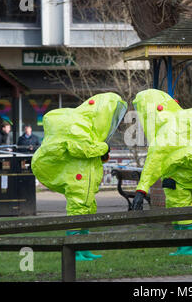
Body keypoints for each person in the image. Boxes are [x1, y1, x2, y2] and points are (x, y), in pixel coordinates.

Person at [131, 89, 192, 256]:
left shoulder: (167, 129)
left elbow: (154, 159)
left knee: (175, 192)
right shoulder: (190, 117)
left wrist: (141, 190)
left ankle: (186, 246)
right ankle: (183, 243)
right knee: (177, 191)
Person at [32, 93, 127, 261]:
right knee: (77, 211)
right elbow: (84, 148)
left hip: (85, 176)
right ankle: (74, 250)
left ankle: (84, 248)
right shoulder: (78, 125)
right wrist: (104, 147)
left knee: (87, 210)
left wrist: (102, 150)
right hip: (78, 177)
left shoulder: (88, 126)